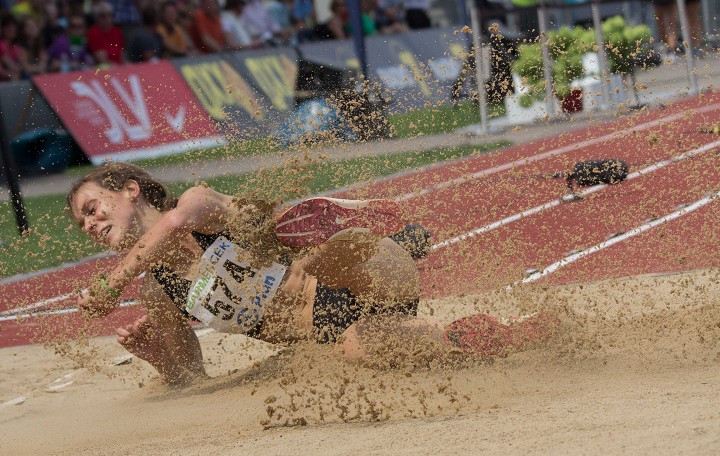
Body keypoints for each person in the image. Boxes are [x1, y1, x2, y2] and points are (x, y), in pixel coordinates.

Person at [68, 165, 553, 386]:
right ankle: (506, 336)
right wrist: (157, 358)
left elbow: (173, 224)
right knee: (358, 346)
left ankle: (354, 234)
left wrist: (112, 283)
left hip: (362, 277)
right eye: (82, 223)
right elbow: (191, 378)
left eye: (92, 209)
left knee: (318, 258)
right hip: (338, 330)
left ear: (132, 190)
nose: (90, 224)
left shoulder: (196, 204)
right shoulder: (158, 289)